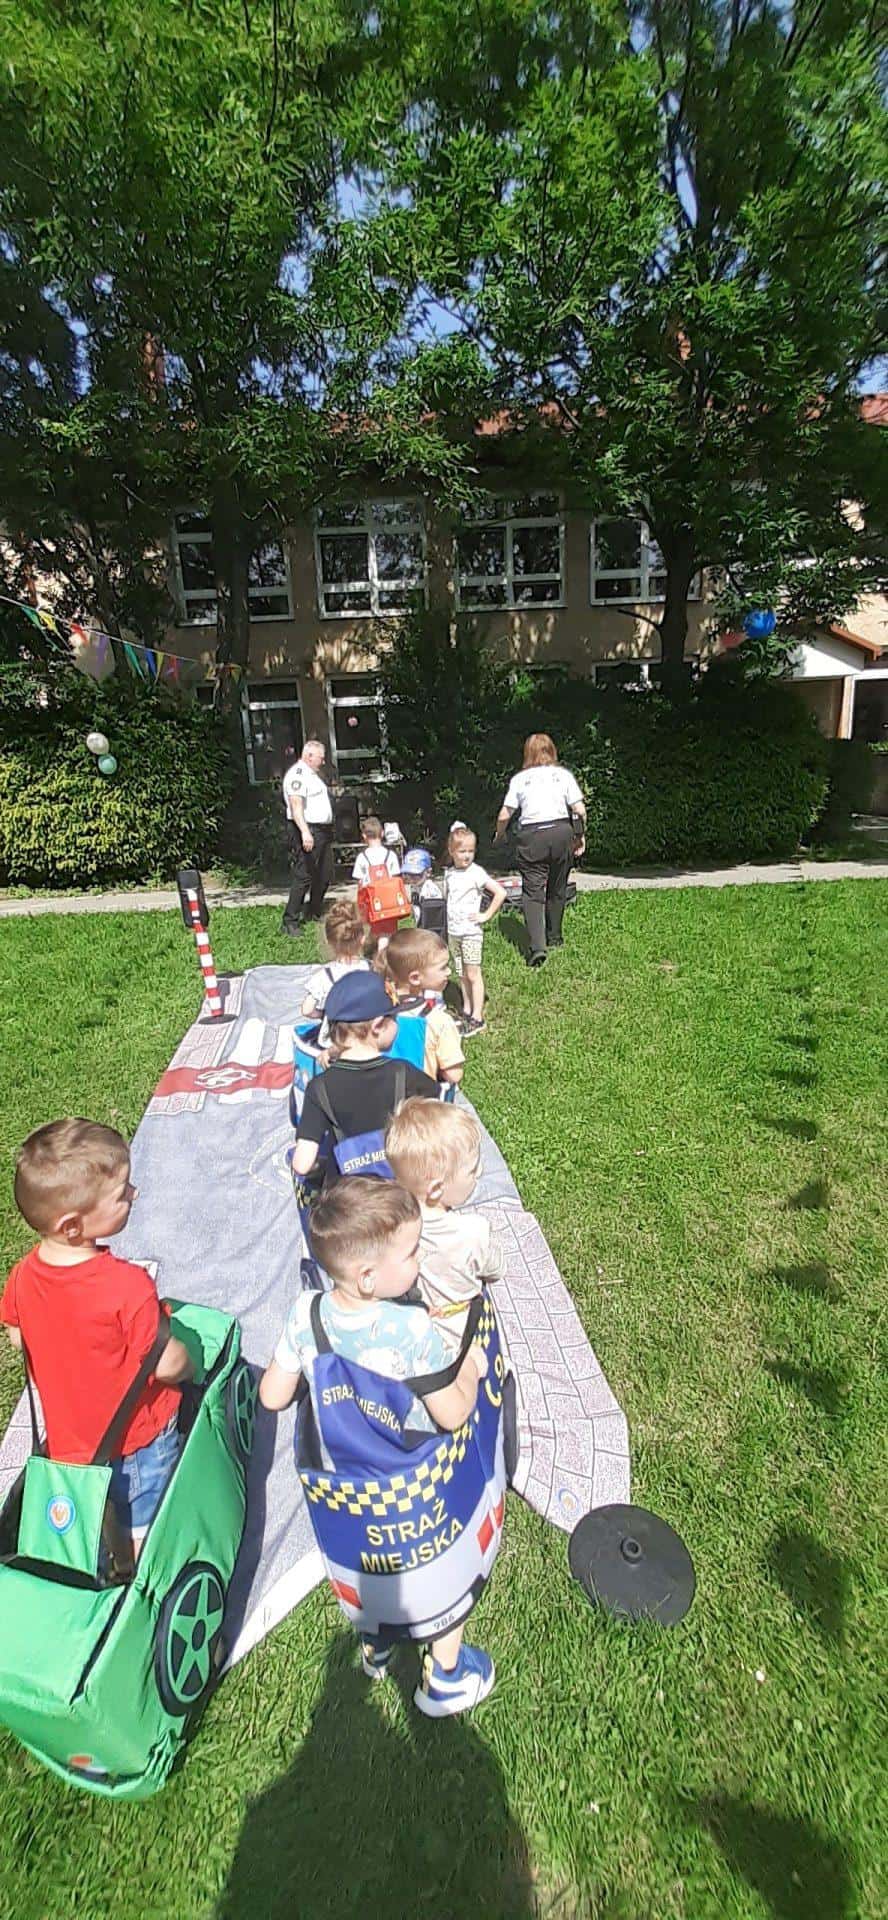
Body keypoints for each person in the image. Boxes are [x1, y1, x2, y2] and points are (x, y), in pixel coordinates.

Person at [259, 1178, 495, 1715]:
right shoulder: (410, 1328)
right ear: (368, 1276)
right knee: (442, 1573)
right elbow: (452, 1413)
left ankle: (377, 1647)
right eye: (410, 1253)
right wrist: (471, 1367)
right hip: (411, 1477)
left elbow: (272, 1395)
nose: (420, 1259)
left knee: (370, 1565)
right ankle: (446, 1677)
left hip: (346, 1484)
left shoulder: (306, 1314)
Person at [0, 1120, 194, 1550]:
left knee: (95, 1526)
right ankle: (144, 1572)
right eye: (122, 1193)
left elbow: (17, 1336)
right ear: (73, 1226)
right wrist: (188, 1359)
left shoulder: (23, 1276)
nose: (134, 1194)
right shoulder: (126, 1286)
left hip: (71, 1447)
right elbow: (168, 1365)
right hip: (139, 1441)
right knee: (144, 1528)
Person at [290, 972, 440, 1187]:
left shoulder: (319, 1087)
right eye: (394, 1018)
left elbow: (302, 1164)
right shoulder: (404, 1073)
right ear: (378, 1026)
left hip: (348, 1197)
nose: (397, 1025)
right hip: (398, 1191)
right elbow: (438, 1118)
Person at [385, 1099, 506, 1350]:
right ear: (437, 1189)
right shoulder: (473, 1230)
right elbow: (495, 1269)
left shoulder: (390, 1224)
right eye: (471, 1170)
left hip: (410, 1332)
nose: (479, 1172)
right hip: (463, 1329)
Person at [493, 732, 586, 968]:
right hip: (561, 833)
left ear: (527, 753)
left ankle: (537, 947)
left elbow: (504, 815)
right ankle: (555, 937)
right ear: (552, 751)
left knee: (533, 893)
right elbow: (579, 810)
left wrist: (500, 834)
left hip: (532, 837)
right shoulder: (563, 775)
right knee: (557, 887)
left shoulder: (520, 780)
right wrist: (580, 835)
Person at [444, 823, 506, 1035]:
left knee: (473, 973)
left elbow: (500, 893)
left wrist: (485, 915)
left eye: (471, 851)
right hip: (454, 932)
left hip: (470, 932)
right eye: (462, 851)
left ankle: (478, 1017)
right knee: (461, 973)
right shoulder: (450, 874)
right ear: (452, 851)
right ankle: (467, 1009)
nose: (467, 855)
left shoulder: (476, 873)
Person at [384, 928, 465, 1086]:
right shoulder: (439, 1020)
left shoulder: (376, 1013)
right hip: (421, 1098)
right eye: (443, 967)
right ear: (415, 978)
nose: (449, 972)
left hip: (381, 1094)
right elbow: (454, 1075)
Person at [281, 738, 334, 936]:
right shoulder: (298, 775)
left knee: (325, 873)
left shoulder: (313, 775)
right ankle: (290, 920)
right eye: (321, 757)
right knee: (304, 875)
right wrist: (305, 832)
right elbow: (296, 806)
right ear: (309, 756)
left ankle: (313, 910)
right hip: (308, 829)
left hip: (322, 830)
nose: (323, 761)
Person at [300, 901, 369, 1046]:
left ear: (328, 941)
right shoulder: (371, 970)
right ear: (363, 939)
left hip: (332, 1042)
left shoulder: (324, 977)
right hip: (366, 1042)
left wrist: (323, 1015)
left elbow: (307, 1010)